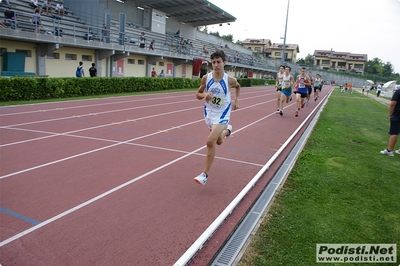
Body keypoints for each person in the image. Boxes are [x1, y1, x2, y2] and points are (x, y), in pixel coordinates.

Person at [194, 50, 240, 185]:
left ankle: (204, 175)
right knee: (219, 141)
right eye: (213, 62)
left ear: (224, 63)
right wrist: (204, 95)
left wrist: (237, 100)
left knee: (210, 141)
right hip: (209, 113)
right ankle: (228, 131)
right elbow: (197, 94)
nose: (216, 65)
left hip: (223, 113)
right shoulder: (206, 78)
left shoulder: (230, 80)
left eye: (218, 62)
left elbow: (238, 87)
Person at [380, 88, 400, 156]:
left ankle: (389, 150)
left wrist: (390, 115)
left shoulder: (398, 92)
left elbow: (392, 104)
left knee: (394, 132)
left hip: (398, 115)